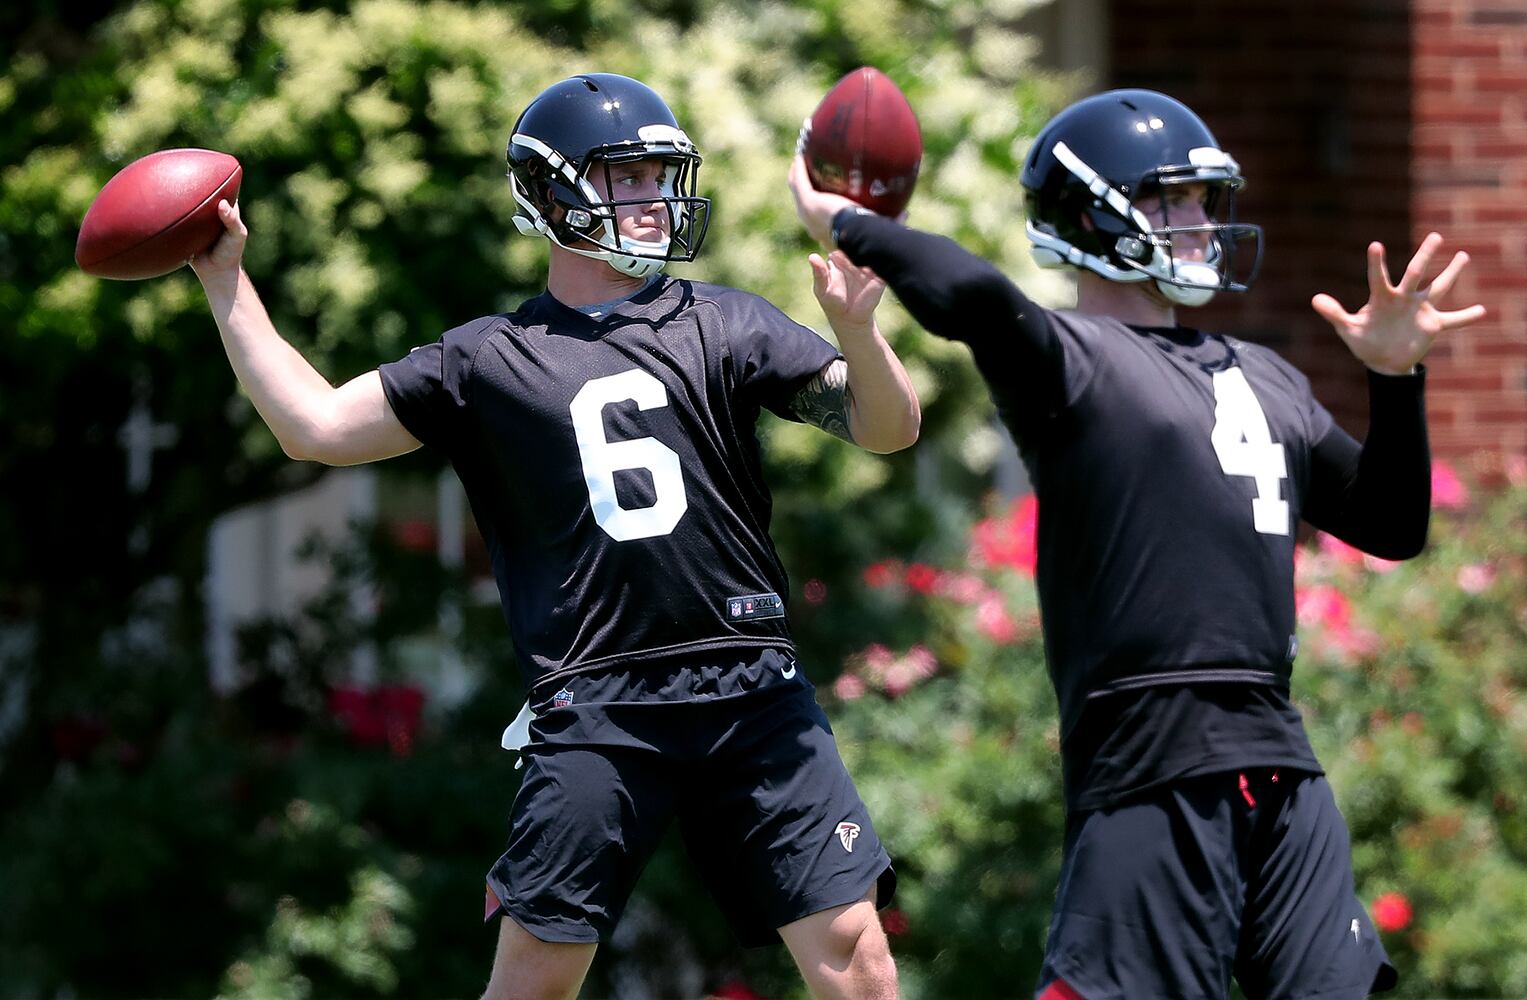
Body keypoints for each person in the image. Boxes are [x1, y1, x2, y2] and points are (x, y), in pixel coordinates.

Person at [193, 73, 917, 1000]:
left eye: (662, 175)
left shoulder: (724, 320)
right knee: (536, 979)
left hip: (751, 687)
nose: (654, 200)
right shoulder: (487, 357)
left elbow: (887, 427)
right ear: (549, 191)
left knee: (856, 953)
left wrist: (858, 332)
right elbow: (318, 428)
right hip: (597, 700)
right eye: (625, 178)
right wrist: (227, 282)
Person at [789, 88, 1486, 999]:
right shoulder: (1069, 360)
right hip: (1153, 754)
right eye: (1173, 201)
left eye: (1203, 200)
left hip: (1278, 757)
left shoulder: (1262, 374)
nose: (1199, 223)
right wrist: (849, 221)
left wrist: (1396, 382)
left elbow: (1394, 525)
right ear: (1089, 213)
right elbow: (971, 296)